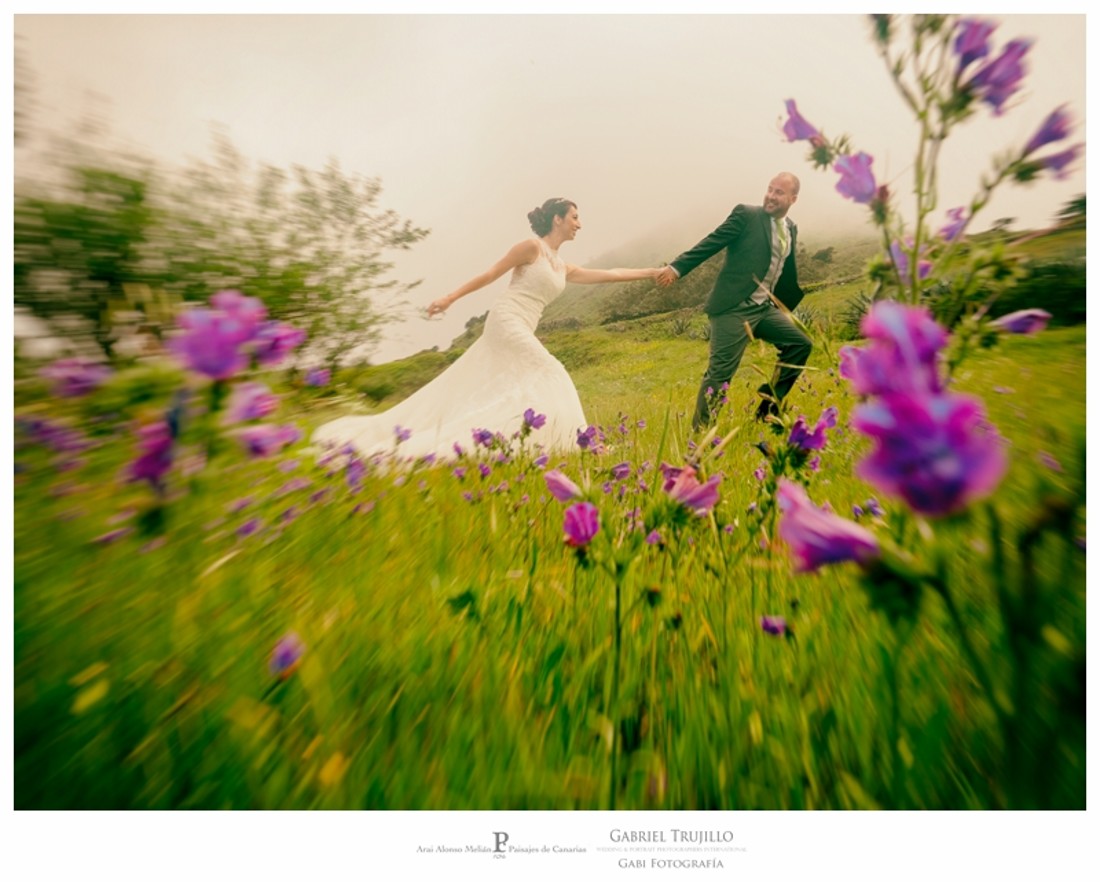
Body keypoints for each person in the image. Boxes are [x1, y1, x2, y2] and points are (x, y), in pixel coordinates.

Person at [313, 197, 661, 459]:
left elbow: (610, 274)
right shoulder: (532, 248)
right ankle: (582, 443)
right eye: (574, 217)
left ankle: (527, 436)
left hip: (524, 324)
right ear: (557, 219)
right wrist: (450, 297)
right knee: (552, 370)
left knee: (518, 385)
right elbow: (491, 274)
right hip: (507, 319)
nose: (579, 224)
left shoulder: (562, 266)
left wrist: (652, 272)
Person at [656, 172, 811, 431]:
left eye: (779, 192)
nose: (771, 196)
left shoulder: (790, 228)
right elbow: (713, 241)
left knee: (800, 344)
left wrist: (782, 301)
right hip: (733, 308)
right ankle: (701, 435)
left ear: (793, 199)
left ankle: (767, 408)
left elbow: (784, 268)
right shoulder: (746, 215)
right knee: (720, 375)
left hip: (764, 309)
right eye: (770, 189)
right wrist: (677, 268)